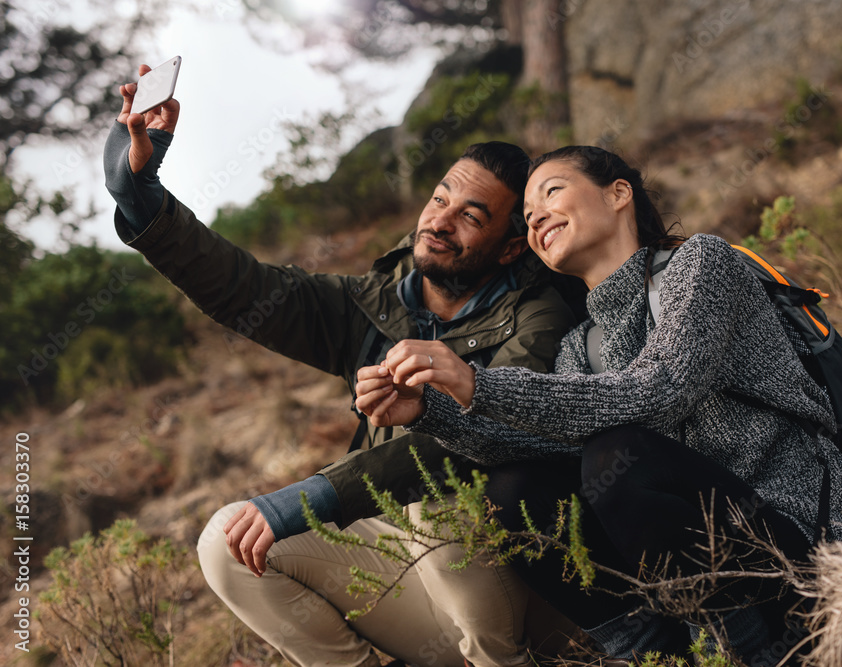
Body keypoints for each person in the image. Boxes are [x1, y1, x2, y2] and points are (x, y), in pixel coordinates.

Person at [103, 66, 579, 667]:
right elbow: (244, 292)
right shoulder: (373, 304)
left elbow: (473, 442)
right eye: (440, 199)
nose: (439, 221)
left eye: (471, 216)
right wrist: (140, 195)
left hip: (530, 597)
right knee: (228, 540)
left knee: (433, 493)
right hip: (416, 582)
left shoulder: (542, 320)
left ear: (512, 246)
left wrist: (314, 496)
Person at [355, 145, 842, 665]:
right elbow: (541, 446)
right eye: (528, 216)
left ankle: (747, 652)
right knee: (513, 488)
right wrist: (428, 412)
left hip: (797, 543)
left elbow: (661, 389)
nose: (536, 218)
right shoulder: (581, 343)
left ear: (618, 192)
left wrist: (479, 384)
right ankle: (645, 650)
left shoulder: (701, 263)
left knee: (618, 456)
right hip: (700, 580)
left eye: (552, 191)